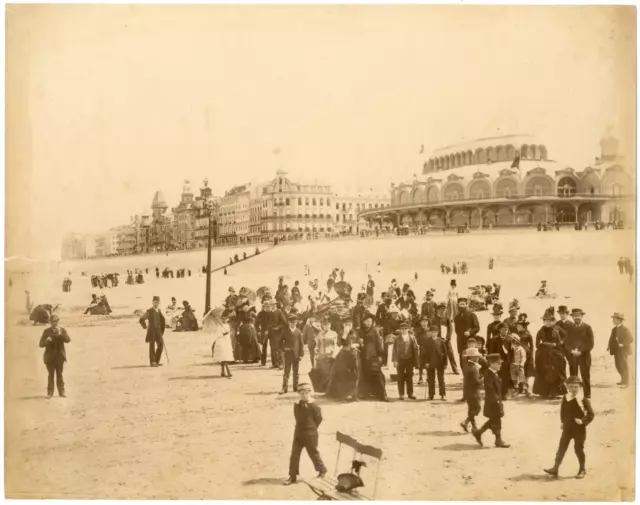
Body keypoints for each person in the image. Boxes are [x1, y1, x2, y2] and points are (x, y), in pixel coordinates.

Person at [544, 376, 594, 479]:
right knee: (561, 447)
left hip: (579, 429)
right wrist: (562, 422)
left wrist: (583, 421)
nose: (573, 389)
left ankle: (582, 469)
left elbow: (591, 414)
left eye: (576, 387)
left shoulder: (583, 399)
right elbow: (563, 411)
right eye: (571, 387)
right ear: (567, 387)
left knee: (578, 449)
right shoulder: (565, 397)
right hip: (567, 428)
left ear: (580, 387)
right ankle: (555, 468)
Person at [284, 383, 327, 485]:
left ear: (309, 393)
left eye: (306, 393)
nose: (304, 395)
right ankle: (292, 476)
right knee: (294, 454)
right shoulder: (297, 404)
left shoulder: (314, 405)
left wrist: (311, 429)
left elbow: (318, 419)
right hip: (298, 433)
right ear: (299, 394)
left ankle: (322, 470)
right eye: (302, 393)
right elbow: (297, 416)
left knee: (313, 453)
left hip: (310, 433)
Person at [473, 353, 510, 448]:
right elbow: (490, 389)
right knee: (496, 419)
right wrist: (496, 400)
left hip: (495, 401)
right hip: (493, 402)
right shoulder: (489, 374)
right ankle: (498, 440)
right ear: (491, 363)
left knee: (495, 420)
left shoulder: (494, 373)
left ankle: (480, 433)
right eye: (498, 363)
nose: (500, 365)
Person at [533, 307, 567, 398]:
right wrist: (544, 345)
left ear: (553, 321)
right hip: (543, 354)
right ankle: (544, 392)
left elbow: (560, 341)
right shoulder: (541, 330)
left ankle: (554, 392)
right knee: (543, 371)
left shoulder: (556, 330)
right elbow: (537, 343)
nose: (547, 323)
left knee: (555, 371)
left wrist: (555, 344)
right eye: (545, 321)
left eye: (549, 321)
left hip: (554, 353)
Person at [39, 314, 70, 398]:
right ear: (50, 322)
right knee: (51, 375)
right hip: (50, 357)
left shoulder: (62, 330)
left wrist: (61, 334)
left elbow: (68, 340)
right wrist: (46, 341)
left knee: (60, 374)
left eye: (56, 321)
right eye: (52, 321)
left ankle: (61, 392)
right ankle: (49, 393)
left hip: (60, 357)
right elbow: (41, 344)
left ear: (58, 321)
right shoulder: (46, 331)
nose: (54, 323)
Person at [565, 309, 594, 399]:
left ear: (582, 316)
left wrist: (581, 352)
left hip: (584, 356)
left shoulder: (587, 327)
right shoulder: (569, 328)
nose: (576, 317)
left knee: (585, 375)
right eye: (574, 316)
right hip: (573, 356)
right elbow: (566, 342)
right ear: (572, 317)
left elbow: (590, 343)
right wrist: (571, 351)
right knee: (573, 376)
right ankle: (573, 394)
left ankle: (587, 395)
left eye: (578, 315)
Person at [360, 313, 388, 402]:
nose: (369, 323)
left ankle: (383, 394)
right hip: (364, 357)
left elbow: (379, 344)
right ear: (364, 322)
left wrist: (380, 356)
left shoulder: (375, 331)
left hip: (373, 356)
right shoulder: (361, 331)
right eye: (367, 321)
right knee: (366, 375)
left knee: (378, 375)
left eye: (370, 321)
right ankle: (366, 393)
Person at [392, 322, 420, 400]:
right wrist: (395, 360)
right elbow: (394, 350)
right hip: (400, 360)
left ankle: (410, 393)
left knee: (410, 377)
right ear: (400, 330)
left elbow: (416, 349)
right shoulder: (397, 339)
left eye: (405, 329)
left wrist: (416, 361)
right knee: (400, 377)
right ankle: (401, 394)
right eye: (402, 329)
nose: (404, 331)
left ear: (408, 329)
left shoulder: (412, 338)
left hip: (409, 360)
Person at [422, 325, 448, 400]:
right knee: (431, 379)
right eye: (432, 332)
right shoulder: (427, 341)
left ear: (437, 332)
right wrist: (426, 362)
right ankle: (431, 394)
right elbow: (425, 353)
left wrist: (445, 363)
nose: (434, 333)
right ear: (430, 332)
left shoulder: (441, 341)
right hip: (430, 363)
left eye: (435, 332)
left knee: (441, 379)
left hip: (440, 362)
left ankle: (443, 394)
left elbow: (445, 353)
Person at [607, 312, 633, 387]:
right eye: (613, 319)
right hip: (616, 350)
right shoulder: (614, 329)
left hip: (623, 350)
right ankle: (623, 380)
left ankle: (626, 382)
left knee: (623, 366)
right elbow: (611, 339)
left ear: (619, 320)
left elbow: (630, 339)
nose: (613, 321)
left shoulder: (625, 329)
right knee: (618, 365)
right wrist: (609, 346)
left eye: (614, 319)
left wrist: (623, 344)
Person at [454, 298, 480, 371]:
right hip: (461, 342)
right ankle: (465, 378)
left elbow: (477, 328)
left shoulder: (472, 315)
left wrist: (470, 332)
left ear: (466, 305)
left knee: (472, 360)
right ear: (458, 305)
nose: (462, 306)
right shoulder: (457, 317)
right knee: (462, 361)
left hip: (471, 341)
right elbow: (456, 330)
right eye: (460, 304)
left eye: (463, 304)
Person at [460, 347, 483, 433]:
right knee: (477, 408)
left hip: (467, 391)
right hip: (474, 392)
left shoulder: (466, 365)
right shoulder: (473, 368)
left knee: (471, 408)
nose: (478, 358)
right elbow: (476, 382)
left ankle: (474, 426)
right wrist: (482, 380)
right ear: (471, 357)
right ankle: (465, 422)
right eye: (476, 356)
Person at [280, 315, 304, 394]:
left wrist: (301, 354)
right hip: (288, 354)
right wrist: (284, 349)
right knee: (286, 372)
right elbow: (280, 342)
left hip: (296, 355)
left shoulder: (298, 332)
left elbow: (301, 344)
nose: (293, 324)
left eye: (294, 322)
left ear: (296, 323)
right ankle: (284, 387)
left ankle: (296, 387)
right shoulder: (285, 331)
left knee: (296, 372)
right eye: (291, 322)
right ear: (288, 322)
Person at [139, 296, 166, 367]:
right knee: (152, 346)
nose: (156, 304)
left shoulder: (159, 310)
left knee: (160, 345)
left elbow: (162, 320)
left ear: (159, 302)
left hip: (158, 331)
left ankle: (156, 360)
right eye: (154, 302)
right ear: (152, 302)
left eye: (157, 302)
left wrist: (162, 329)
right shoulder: (149, 311)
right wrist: (145, 327)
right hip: (152, 331)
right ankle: (153, 362)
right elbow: (141, 319)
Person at [432, 302, 458, 374]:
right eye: (440, 309)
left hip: (446, 340)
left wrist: (447, 337)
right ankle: (439, 367)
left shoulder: (447, 319)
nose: (442, 311)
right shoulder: (434, 319)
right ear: (437, 310)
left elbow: (450, 329)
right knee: (437, 354)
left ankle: (455, 368)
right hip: (437, 340)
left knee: (450, 353)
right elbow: (432, 329)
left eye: (443, 309)